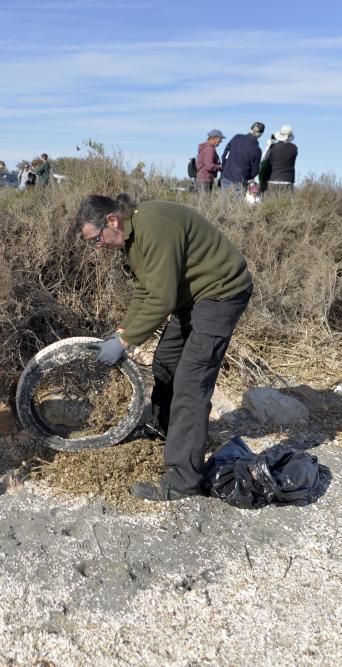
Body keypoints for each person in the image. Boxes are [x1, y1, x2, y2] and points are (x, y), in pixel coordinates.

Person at [74, 194, 253, 501]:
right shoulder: (131, 238)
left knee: (190, 384)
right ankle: (165, 428)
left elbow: (162, 299)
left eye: (96, 239)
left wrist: (125, 343)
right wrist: (123, 330)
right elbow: (147, 289)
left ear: (112, 221)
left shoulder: (153, 226)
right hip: (193, 296)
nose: (97, 246)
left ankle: (183, 480)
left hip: (221, 293)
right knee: (166, 363)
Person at [220, 121, 265, 190]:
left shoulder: (237, 137)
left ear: (250, 129)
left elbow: (225, 154)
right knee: (237, 200)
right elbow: (255, 171)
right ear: (261, 134)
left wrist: (224, 168)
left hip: (226, 176)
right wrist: (247, 177)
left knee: (223, 200)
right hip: (241, 180)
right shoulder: (257, 150)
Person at [264, 125, 297, 193]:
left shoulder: (272, 147)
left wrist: (268, 145)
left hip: (273, 179)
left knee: (270, 203)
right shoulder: (294, 148)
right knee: (286, 203)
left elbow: (264, 159)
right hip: (288, 179)